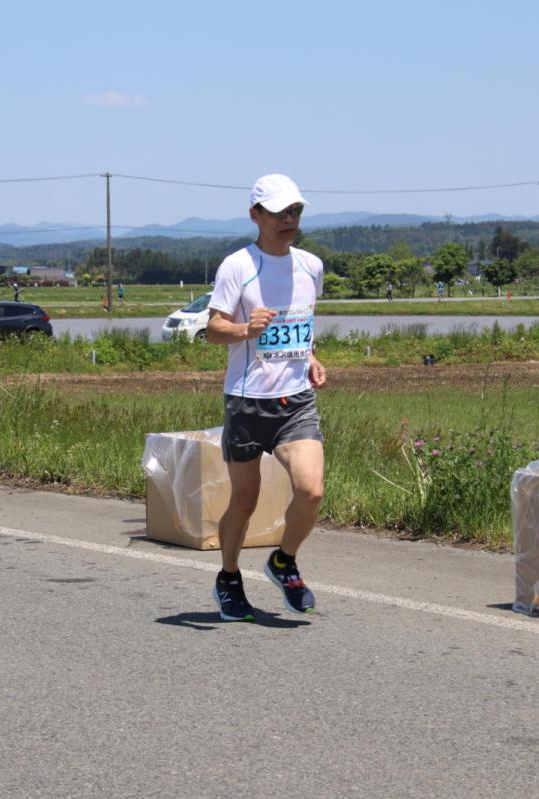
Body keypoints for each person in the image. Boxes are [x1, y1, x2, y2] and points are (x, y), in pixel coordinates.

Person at [205, 174, 327, 620]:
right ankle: (229, 578)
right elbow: (213, 329)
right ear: (255, 215)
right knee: (245, 502)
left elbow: (300, 323)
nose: (289, 220)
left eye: (295, 211)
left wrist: (310, 356)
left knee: (311, 491)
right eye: (279, 213)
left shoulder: (310, 266)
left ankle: (283, 561)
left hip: (295, 401)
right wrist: (245, 329)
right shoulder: (238, 265)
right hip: (247, 401)